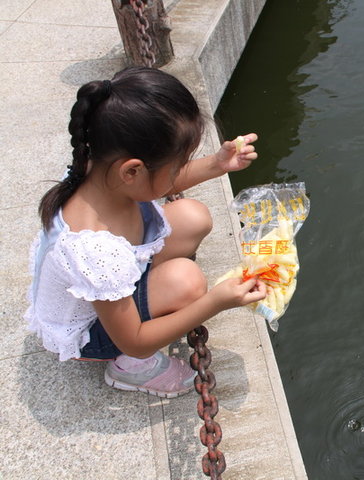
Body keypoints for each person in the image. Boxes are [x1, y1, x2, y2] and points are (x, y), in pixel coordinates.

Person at [24, 66, 267, 398]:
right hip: (93, 330)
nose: (179, 173)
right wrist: (215, 301)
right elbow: (134, 341)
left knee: (192, 216)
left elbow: (157, 184)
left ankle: (154, 293)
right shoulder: (93, 248)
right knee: (188, 281)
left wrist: (217, 165)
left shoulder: (100, 170)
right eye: (177, 165)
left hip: (112, 278)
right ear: (132, 171)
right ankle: (130, 370)